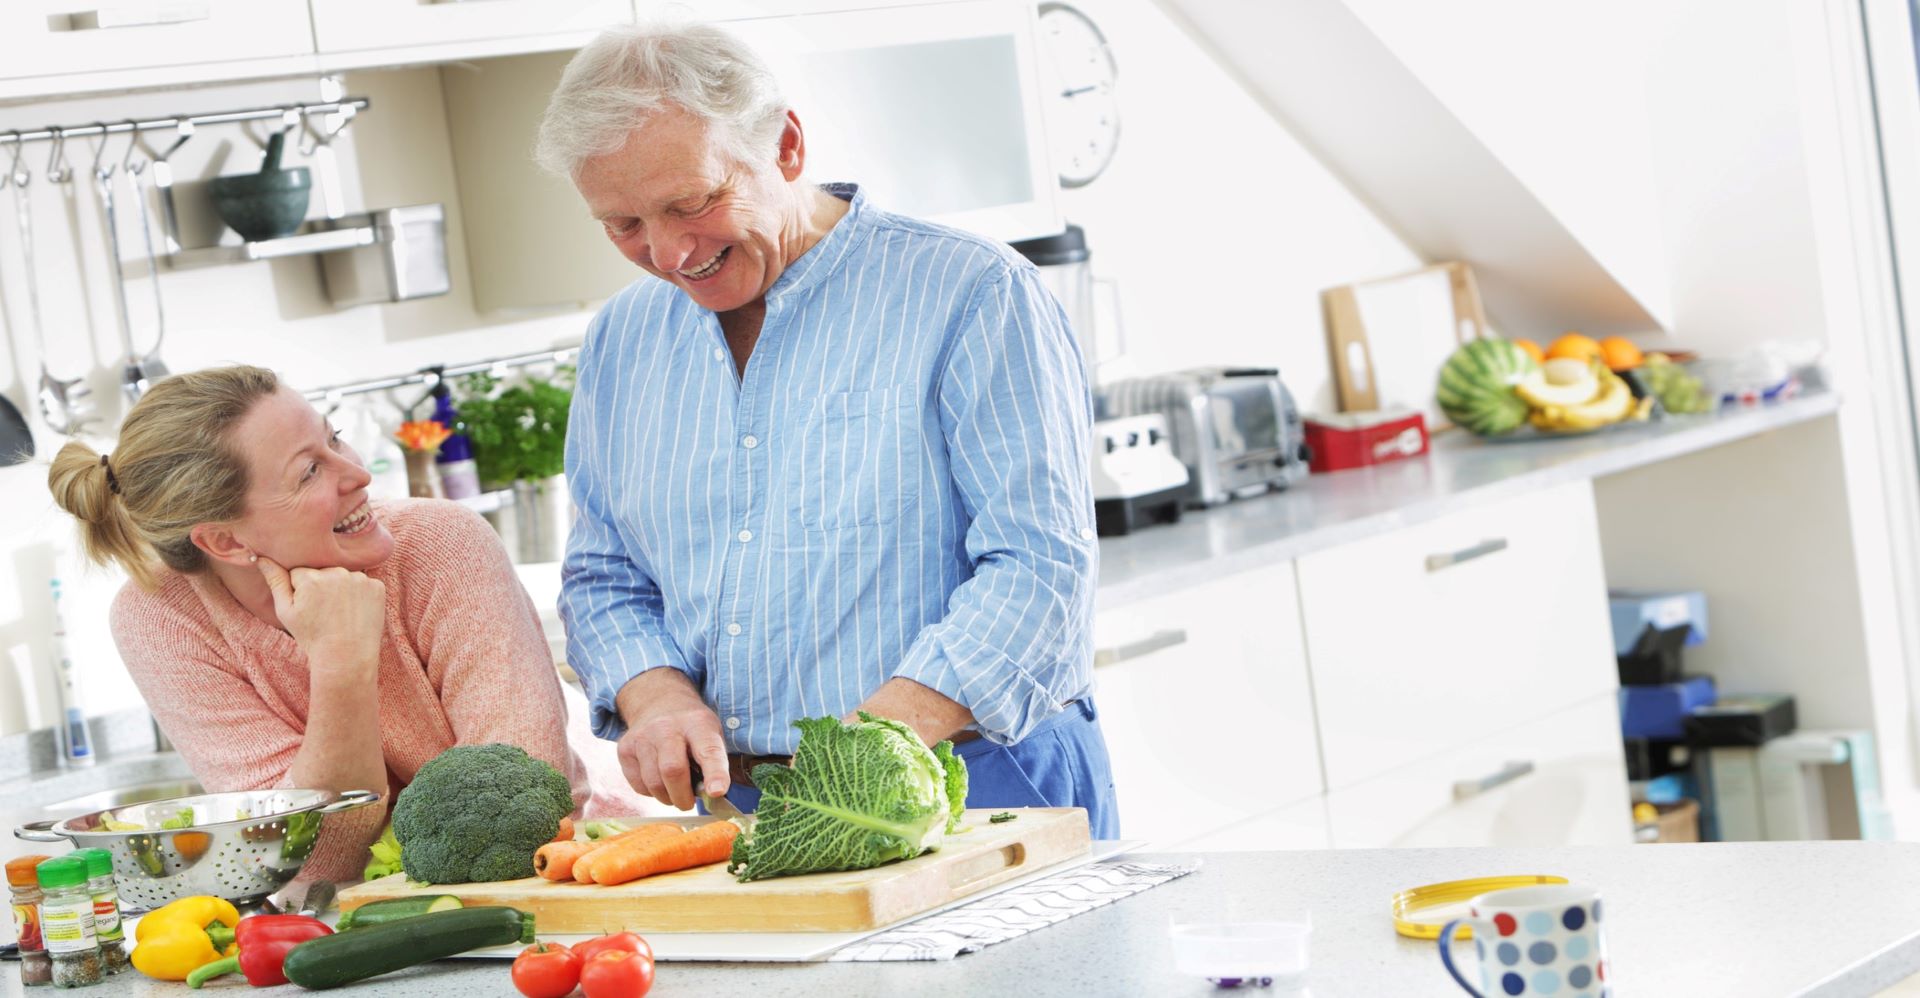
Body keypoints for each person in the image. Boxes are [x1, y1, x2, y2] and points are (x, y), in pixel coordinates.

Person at [538, 22, 1118, 836]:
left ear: (785, 146)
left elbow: (1040, 566)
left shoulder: (972, 292)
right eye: (623, 224)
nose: (668, 252)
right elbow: (604, 574)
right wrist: (655, 694)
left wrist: (866, 748)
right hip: (739, 807)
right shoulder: (621, 339)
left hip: (969, 778)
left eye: (691, 203)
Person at [47, 366, 641, 880]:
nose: (358, 475)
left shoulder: (443, 544)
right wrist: (340, 663)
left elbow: (526, 803)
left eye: (334, 439)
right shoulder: (161, 618)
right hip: (361, 919)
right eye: (310, 471)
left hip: (584, 869)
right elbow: (304, 860)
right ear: (225, 541)